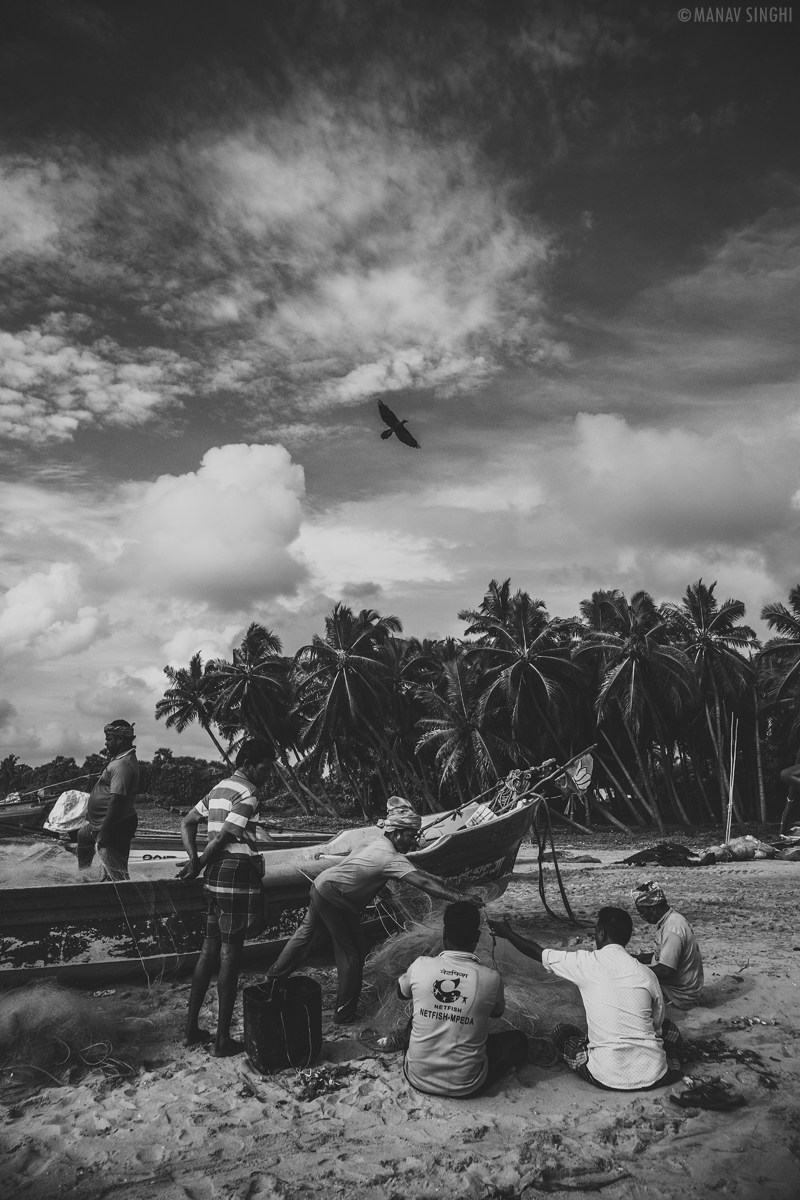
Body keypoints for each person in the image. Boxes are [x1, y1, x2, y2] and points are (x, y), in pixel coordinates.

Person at [266, 796, 487, 1025]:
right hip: (336, 897)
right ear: (396, 833)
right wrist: (461, 896)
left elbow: (363, 868)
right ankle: (344, 1013)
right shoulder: (390, 857)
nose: (413, 843)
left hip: (322, 886)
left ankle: (273, 978)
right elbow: (425, 884)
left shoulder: (374, 840)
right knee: (351, 956)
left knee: (307, 938)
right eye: (410, 837)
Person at [489, 907, 684, 1091]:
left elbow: (538, 953)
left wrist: (508, 933)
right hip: (655, 1075)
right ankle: (669, 1063)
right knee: (670, 1030)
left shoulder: (585, 962)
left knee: (562, 1032)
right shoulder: (646, 973)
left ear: (600, 933)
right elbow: (657, 1024)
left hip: (605, 1077)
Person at [178, 739, 275, 1057]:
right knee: (231, 956)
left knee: (208, 951)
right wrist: (197, 864)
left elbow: (188, 822)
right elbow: (223, 838)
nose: (268, 772)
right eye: (265, 765)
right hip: (235, 873)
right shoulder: (249, 792)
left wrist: (195, 861)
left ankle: (191, 1030)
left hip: (213, 878)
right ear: (249, 762)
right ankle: (221, 1040)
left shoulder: (218, 788)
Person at [399, 902, 528, 1097]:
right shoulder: (491, 978)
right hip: (467, 1085)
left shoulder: (420, 965)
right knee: (519, 1041)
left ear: (444, 933)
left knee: (413, 1021)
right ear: (476, 938)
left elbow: (402, 993)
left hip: (417, 1077)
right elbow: (496, 1013)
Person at [76, 719, 140, 881]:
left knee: (116, 871)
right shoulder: (119, 760)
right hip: (102, 822)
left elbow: (116, 800)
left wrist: (105, 832)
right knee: (83, 836)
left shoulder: (123, 765)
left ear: (120, 739)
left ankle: (120, 899)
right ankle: (84, 875)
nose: (105, 743)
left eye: (108, 739)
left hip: (116, 824)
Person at [632, 881, 704, 1010]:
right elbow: (661, 956)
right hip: (682, 988)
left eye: (642, 912)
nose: (642, 917)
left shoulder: (672, 928)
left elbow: (666, 970)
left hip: (679, 995)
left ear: (653, 909)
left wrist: (634, 973)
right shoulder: (671, 919)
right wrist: (632, 958)